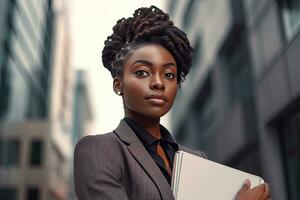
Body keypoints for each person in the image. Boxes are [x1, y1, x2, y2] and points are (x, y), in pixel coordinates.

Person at [74, 6, 271, 200]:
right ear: (119, 85)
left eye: (169, 74)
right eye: (142, 72)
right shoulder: (97, 150)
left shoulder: (197, 159)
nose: (159, 83)